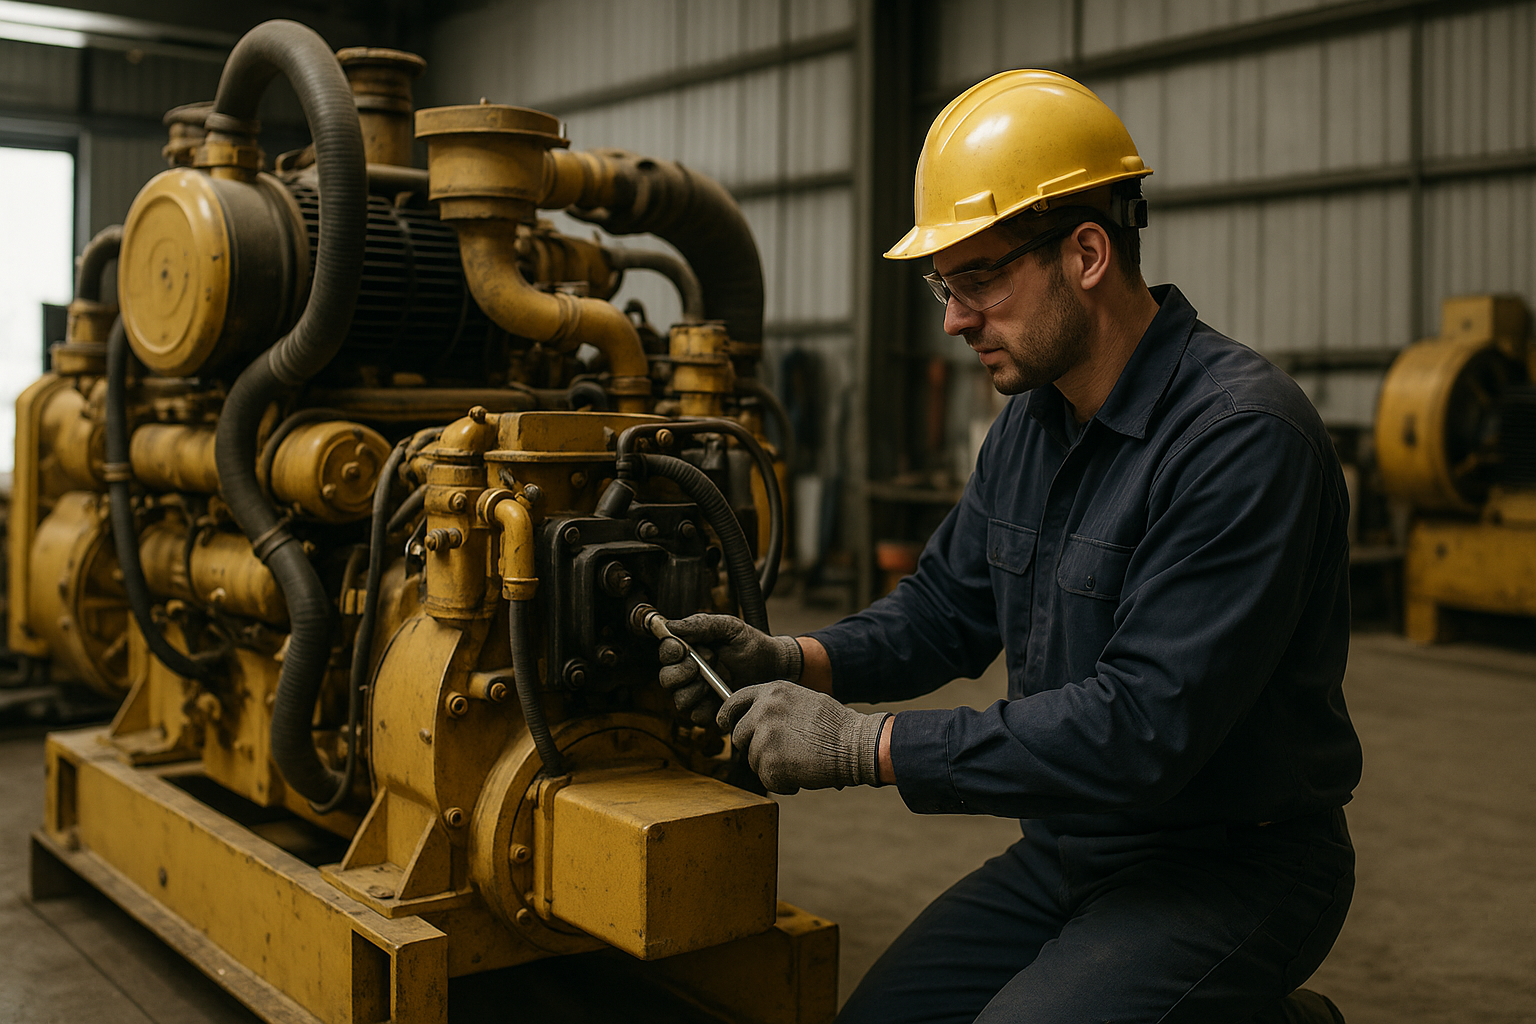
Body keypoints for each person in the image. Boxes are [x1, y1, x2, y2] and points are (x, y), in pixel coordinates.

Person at [658, 70, 1361, 1024]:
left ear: (1086, 253)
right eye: (943, 285)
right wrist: (799, 659)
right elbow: (946, 610)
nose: (952, 319)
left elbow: (1141, 729)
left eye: (979, 279)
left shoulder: (1240, 439)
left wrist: (867, 746)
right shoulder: (1036, 421)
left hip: (1234, 866)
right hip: (1073, 850)